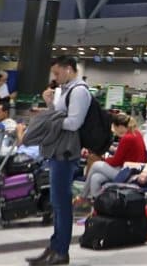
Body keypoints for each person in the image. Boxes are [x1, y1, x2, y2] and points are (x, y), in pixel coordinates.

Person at [23, 56, 89, 266]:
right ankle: (55, 247)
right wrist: (50, 105)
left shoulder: (79, 91)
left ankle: (61, 251)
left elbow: (74, 123)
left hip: (66, 152)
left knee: (61, 203)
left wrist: (49, 121)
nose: (55, 77)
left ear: (69, 69)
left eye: (57, 73)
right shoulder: (67, 90)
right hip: (58, 150)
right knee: (57, 202)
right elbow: (60, 117)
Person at [80, 113, 146, 202]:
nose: (114, 130)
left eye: (114, 127)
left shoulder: (127, 138)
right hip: (131, 170)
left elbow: (116, 161)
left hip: (126, 173)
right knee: (95, 177)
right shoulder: (136, 133)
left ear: (120, 127)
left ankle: (82, 197)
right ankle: (98, 203)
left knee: (96, 165)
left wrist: (103, 159)